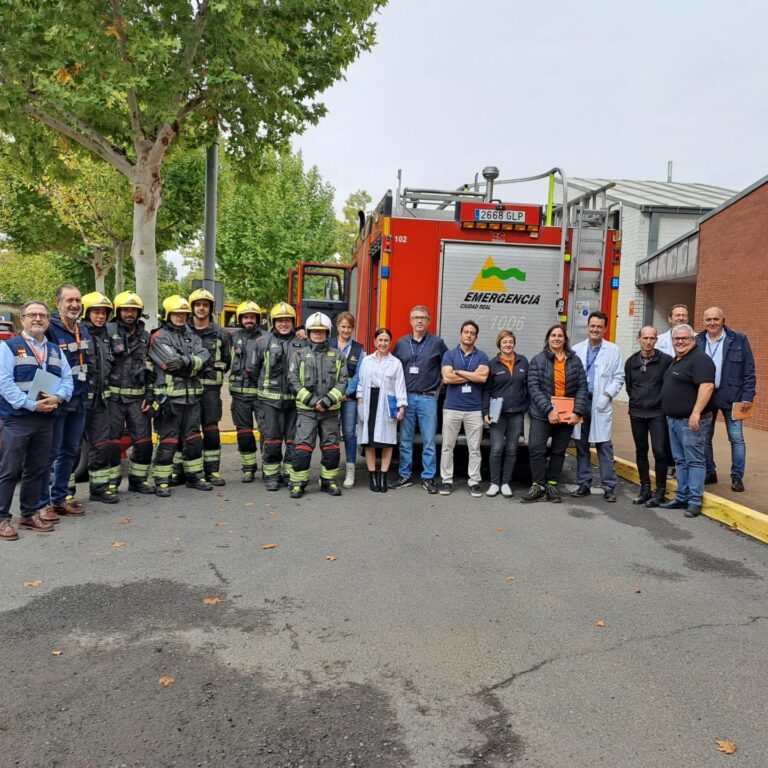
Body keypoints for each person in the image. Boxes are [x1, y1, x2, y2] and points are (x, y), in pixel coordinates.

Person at [0, 301, 73, 539]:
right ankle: (2, 519)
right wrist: (32, 404)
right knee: (10, 471)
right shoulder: (8, 347)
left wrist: (58, 397)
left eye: (42, 315)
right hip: (17, 420)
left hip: (46, 419)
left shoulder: (54, 349)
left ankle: (28, 515)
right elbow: (4, 384)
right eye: (32, 315)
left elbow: (67, 380)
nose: (38, 319)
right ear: (23, 319)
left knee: (37, 469)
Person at [148, 296, 212, 497]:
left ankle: (195, 476)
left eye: (184, 314)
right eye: (176, 314)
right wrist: (193, 364)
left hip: (192, 398)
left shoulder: (193, 336)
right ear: (168, 315)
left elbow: (205, 358)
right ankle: (161, 480)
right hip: (169, 399)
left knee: (193, 439)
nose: (180, 317)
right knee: (168, 441)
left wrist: (185, 361)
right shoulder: (159, 337)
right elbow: (168, 363)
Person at [39, 284, 93, 518]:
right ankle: (42, 503)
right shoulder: (50, 328)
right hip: (56, 400)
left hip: (79, 399)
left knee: (70, 451)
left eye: (77, 300)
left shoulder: (84, 328)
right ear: (57, 303)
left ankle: (60, 499)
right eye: (69, 300)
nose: (74, 305)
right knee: (49, 453)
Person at [523, 324, 588, 503]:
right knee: (536, 449)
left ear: (565, 340)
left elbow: (582, 387)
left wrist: (577, 411)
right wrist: (549, 410)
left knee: (559, 451)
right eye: (553, 335)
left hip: (567, 415)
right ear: (548, 339)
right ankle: (538, 485)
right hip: (542, 414)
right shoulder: (538, 360)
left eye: (560, 336)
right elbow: (533, 388)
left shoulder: (575, 361)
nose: (557, 338)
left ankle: (552, 485)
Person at [695, 306, 756, 492]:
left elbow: (749, 371)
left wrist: (748, 396)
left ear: (723, 320)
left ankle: (737, 476)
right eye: (708, 319)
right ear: (703, 321)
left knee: (736, 438)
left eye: (716, 319)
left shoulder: (739, 339)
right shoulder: (697, 341)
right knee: (704, 438)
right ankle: (709, 472)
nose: (712, 323)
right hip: (706, 397)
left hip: (734, 396)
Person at [288, 312, 348, 498]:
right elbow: (293, 382)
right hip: (307, 412)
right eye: (314, 331)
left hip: (330, 412)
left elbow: (343, 381)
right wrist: (314, 402)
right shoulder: (299, 355)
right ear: (308, 332)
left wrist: (328, 401)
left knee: (331, 449)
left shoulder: (338, 356)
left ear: (328, 332)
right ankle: (298, 483)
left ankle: (328, 481)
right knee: (302, 449)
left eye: (322, 331)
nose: (318, 334)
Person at [660, 324, 715, 518]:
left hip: (691, 422)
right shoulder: (678, 359)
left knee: (695, 462)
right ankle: (681, 497)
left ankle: (694, 501)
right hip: (675, 421)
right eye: (677, 339)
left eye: (685, 338)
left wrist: (696, 412)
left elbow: (707, 386)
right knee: (680, 461)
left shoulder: (701, 360)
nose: (680, 342)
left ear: (693, 340)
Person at [391, 305, 448, 494]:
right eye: (416, 317)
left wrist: (438, 387)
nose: (419, 321)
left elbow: (446, 366)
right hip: (406, 398)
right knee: (405, 440)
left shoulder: (437, 343)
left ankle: (428, 477)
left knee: (429, 440)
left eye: (423, 317)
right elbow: (394, 369)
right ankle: (405, 475)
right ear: (410, 320)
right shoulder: (400, 343)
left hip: (428, 398)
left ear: (429, 321)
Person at [251, 302, 307, 491]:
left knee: (293, 441)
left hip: (293, 402)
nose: (284, 324)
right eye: (280, 320)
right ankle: (271, 475)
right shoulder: (261, 342)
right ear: (274, 322)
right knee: (272, 440)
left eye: (287, 320)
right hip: (269, 401)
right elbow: (254, 370)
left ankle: (290, 473)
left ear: (293, 322)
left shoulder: (303, 342)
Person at [571, 311, 625, 502]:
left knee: (603, 445)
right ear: (587, 327)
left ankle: (608, 486)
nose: (595, 329)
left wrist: (607, 394)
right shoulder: (576, 349)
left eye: (599, 327)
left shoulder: (613, 350)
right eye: (592, 326)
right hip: (581, 401)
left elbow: (619, 376)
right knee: (581, 444)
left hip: (600, 401)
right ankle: (584, 483)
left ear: (605, 329)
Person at [106, 291, 155, 494]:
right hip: (113, 399)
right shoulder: (107, 332)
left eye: (133, 310)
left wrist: (150, 396)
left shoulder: (146, 337)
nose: (129, 313)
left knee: (144, 442)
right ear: (118, 311)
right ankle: (109, 483)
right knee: (111, 444)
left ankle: (138, 480)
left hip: (138, 398)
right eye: (126, 309)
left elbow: (153, 369)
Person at [439, 320, 490, 497]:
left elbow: (482, 378)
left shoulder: (482, 356)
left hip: (474, 409)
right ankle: (446, 480)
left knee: (474, 448)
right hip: (452, 407)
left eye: (472, 333)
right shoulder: (449, 355)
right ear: (460, 334)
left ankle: (474, 481)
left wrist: (459, 372)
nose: (469, 335)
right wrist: (471, 375)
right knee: (447, 446)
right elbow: (447, 378)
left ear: (476, 336)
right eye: (466, 332)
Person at [624, 326, 673, 507]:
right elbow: (630, 387)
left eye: (652, 338)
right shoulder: (631, 362)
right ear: (639, 339)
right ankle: (645, 488)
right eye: (645, 338)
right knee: (641, 451)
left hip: (657, 413)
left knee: (660, 452)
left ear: (656, 340)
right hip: (636, 412)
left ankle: (660, 490)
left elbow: (669, 386)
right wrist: (638, 400)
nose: (648, 341)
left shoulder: (666, 361)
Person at [188, 288, 232, 486]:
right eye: (198, 304)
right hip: (188, 389)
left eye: (205, 305)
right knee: (189, 431)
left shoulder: (221, 333)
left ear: (211, 308)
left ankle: (212, 471)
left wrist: (213, 370)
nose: (201, 308)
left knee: (211, 429)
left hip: (211, 391)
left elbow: (227, 361)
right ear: (192, 308)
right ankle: (189, 472)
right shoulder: (184, 331)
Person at [356, 327, 407, 492]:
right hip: (369, 402)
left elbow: (400, 386)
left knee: (387, 442)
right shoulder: (366, 360)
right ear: (374, 342)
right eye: (380, 340)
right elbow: (361, 384)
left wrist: (401, 407)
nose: (383, 343)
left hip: (387, 404)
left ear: (390, 342)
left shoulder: (396, 363)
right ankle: (372, 475)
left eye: (386, 340)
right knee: (369, 442)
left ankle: (383, 475)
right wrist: (360, 403)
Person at [81, 292, 119, 504]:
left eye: (104, 312)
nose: (101, 316)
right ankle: (64, 495)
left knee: (101, 444)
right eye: (96, 311)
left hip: (101, 401)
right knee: (72, 448)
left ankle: (99, 489)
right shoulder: (78, 334)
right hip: (80, 400)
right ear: (87, 313)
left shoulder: (107, 336)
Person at [481, 330, 528, 498]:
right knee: (496, 448)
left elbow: (528, 387)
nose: (508, 345)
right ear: (499, 344)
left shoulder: (523, 362)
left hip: (516, 414)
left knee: (512, 449)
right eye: (504, 342)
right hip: (497, 414)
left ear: (514, 343)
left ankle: (506, 482)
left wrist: (527, 407)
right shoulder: (492, 364)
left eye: (510, 342)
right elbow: (486, 391)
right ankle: (494, 483)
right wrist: (485, 411)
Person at [228, 300, 264, 483]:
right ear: (239, 319)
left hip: (262, 395)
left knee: (267, 432)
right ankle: (248, 468)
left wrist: (300, 331)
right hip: (240, 395)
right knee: (244, 433)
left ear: (257, 319)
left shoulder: (266, 337)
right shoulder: (231, 338)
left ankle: (269, 467)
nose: (249, 320)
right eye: (245, 317)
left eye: (252, 317)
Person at [329, 312, 364, 488]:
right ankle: (329, 469)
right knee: (330, 434)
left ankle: (350, 470)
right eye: (343, 326)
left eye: (349, 327)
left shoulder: (358, 349)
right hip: (329, 398)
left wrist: (345, 392)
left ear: (353, 328)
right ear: (337, 326)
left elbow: (358, 375)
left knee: (349, 433)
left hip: (348, 398)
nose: (346, 330)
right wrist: (332, 394)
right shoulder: (328, 344)